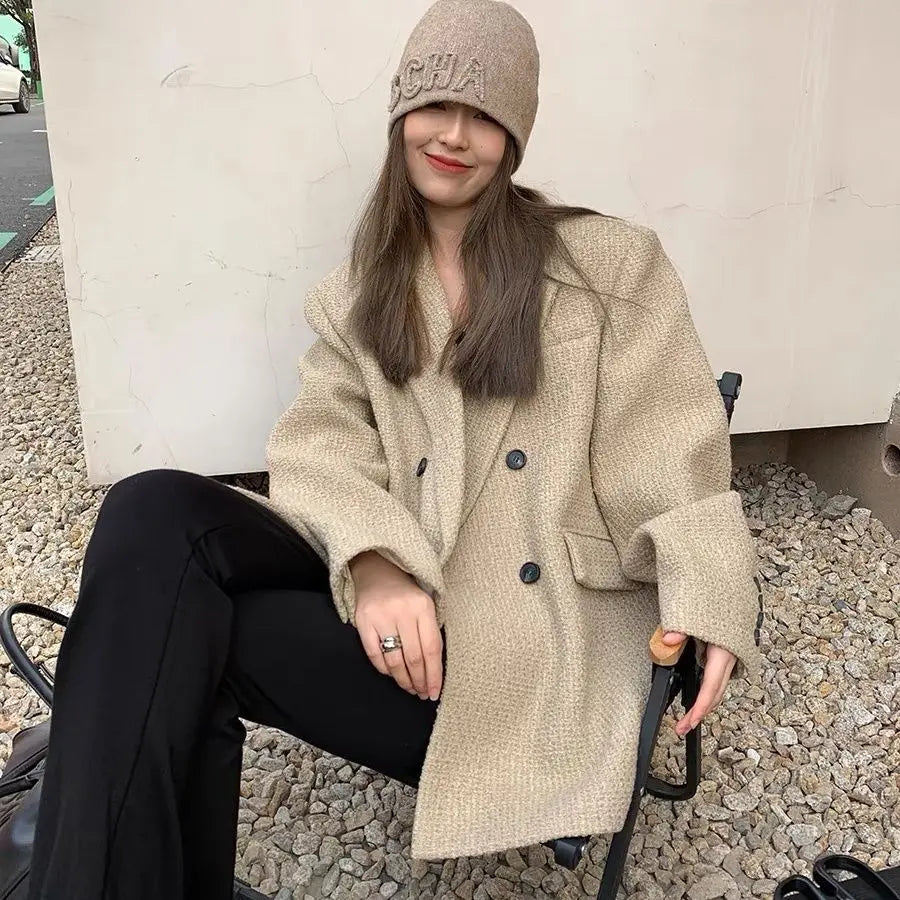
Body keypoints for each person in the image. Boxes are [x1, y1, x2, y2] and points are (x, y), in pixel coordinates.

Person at [27, 1, 764, 897]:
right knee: (150, 510)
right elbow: (319, 446)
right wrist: (376, 564)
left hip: (532, 650)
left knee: (182, 638)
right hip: (412, 601)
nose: (453, 135)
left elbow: (670, 452)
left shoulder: (606, 265)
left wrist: (709, 587)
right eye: (435, 104)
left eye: (484, 115)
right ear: (401, 112)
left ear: (515, 136)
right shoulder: (361, 293)